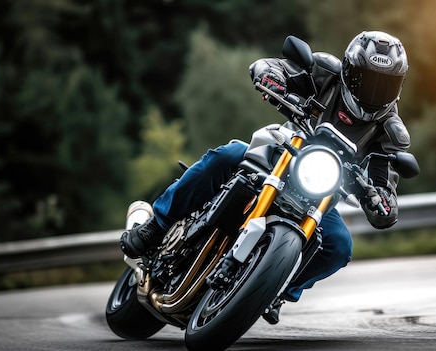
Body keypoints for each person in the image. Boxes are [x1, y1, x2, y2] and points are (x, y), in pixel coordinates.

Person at [121, 31, 411, 324]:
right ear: (350, 70)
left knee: (339, 246)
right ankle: (156, 226)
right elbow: (274, 66)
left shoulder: (390, 132)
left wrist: (380, 200)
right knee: (228, 155)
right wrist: (270, 76)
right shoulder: (324, 72)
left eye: (385, 84)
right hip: (278, 153)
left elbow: (384, 181)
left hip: (318, 194)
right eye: (368, 78)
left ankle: (277, 289)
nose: (375, 90)